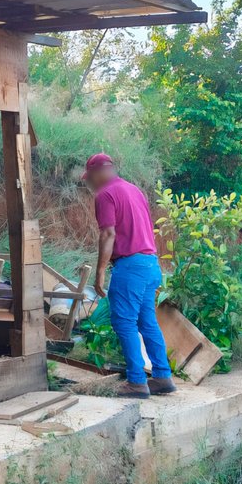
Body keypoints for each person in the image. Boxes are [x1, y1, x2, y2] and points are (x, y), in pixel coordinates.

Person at [82, 153, 175, 399]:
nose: (89, 183)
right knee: (147, 322)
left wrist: (100, 271)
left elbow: (108, 234)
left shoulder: (105, 195)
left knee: (124, 323)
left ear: (99, 172)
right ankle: (162, 377)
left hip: (130, 267)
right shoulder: (134, 190)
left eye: (89, 177)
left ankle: (136, 382)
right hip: (150, 264)